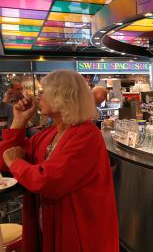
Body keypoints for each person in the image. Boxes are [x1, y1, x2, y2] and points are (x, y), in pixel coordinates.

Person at [0, 70, 119, 251]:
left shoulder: (87, 135)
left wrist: (15, 163)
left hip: (78, 234)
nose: (39, 96)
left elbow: (48, 181)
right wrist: (18, 122)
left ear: (62, 96)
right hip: (51, 227)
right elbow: (5, 161)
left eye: (44, 91)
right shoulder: (50, 134)